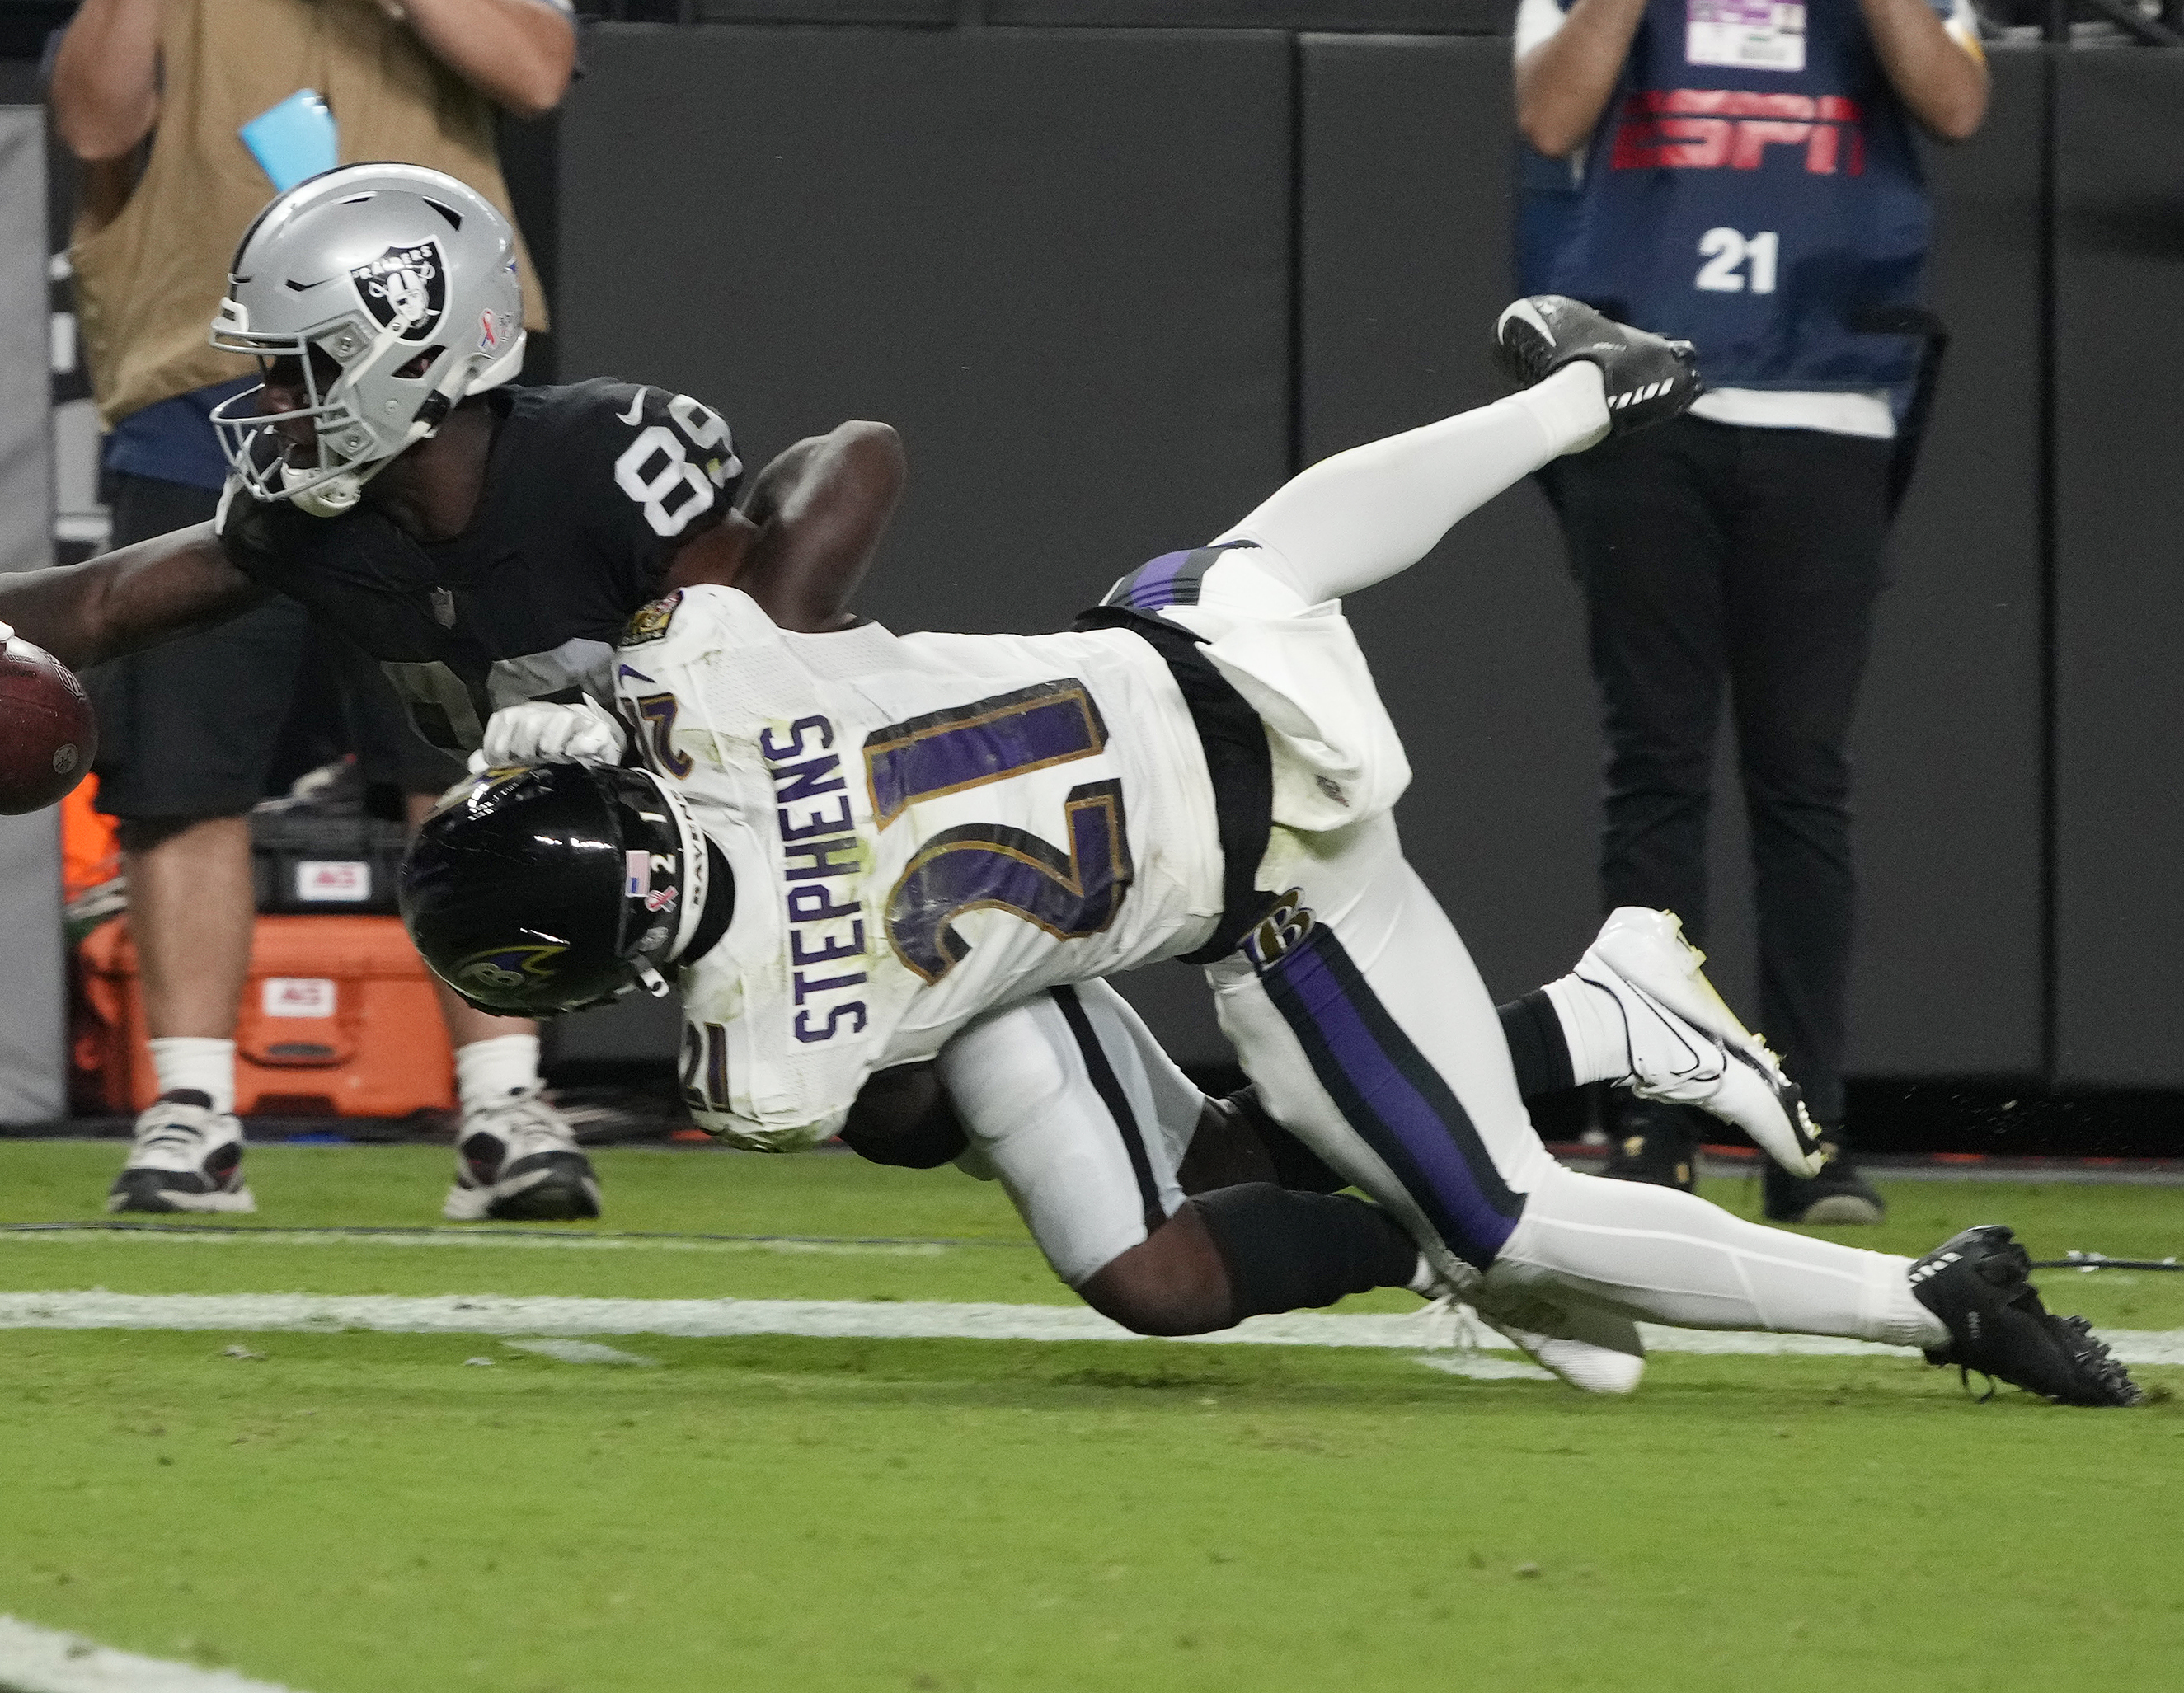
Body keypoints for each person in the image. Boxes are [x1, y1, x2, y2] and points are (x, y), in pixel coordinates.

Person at [402, 298, 2136, 1407]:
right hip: (1211, 664)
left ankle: (1922, 1298)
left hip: (1275, 895)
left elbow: (820, 1027)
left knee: (1488, 1209)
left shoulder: (761, 1052)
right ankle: (1575, 403)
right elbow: (767, 570)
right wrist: (582, 697)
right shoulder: (701, 662)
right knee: (1241, 564)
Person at [0, 163, 753, 1222]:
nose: (274, 405)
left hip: (757, 827)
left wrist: (626, 703)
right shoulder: (320, 515)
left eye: (299, 371)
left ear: (415, 352)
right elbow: (102, 601)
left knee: (902, 1103)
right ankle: (218, 1113)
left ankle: (509, 1103)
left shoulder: (598, 459)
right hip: (624, 887)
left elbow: (797, 572)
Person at [46, 0, 579, 1215]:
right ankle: (190, 1112)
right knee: (182, 774)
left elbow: (537, 70)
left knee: (470, 756)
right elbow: (94, 119)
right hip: (216, 394)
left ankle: (504, 1101)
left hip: (444, 397)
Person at [1511, 0, 1989, 1222]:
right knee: (1656, 769)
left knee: (1801, 776)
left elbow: (1957, 103)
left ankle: (1807, 1133)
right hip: (1646, 398)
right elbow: (1549, 113)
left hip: (1826, 401)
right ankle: (1651, 1125)